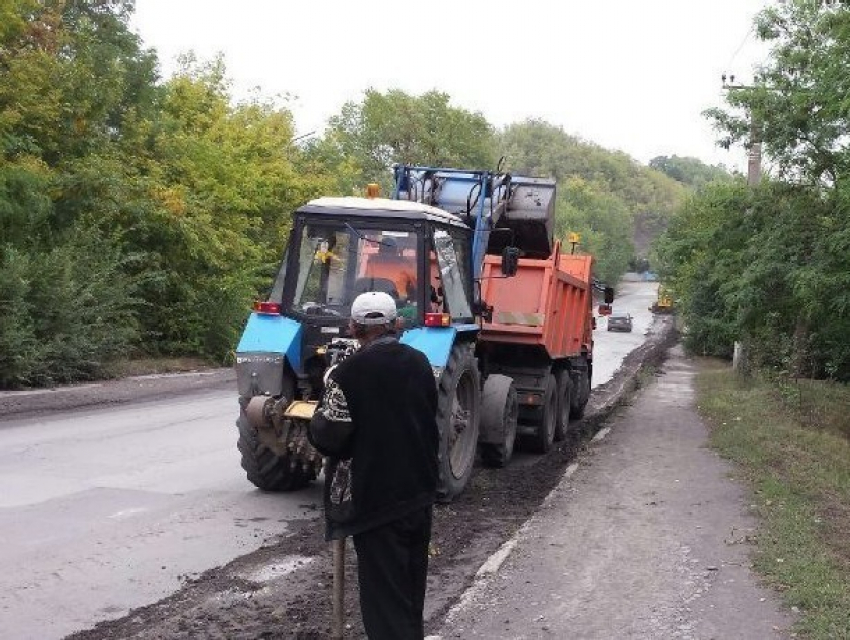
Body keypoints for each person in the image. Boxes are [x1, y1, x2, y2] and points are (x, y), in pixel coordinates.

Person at [308, 291, 439, 639]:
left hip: (377, 504)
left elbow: (327, 437)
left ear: (353, 327)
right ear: (395, 324)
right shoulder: (421, 362)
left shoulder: (347, 373)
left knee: (385, 606)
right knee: (410, 595)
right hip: (419, 497)